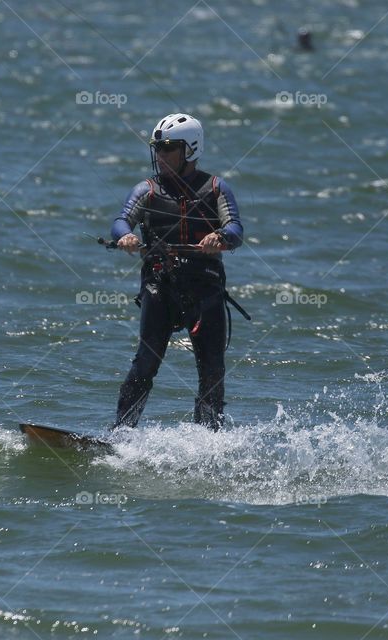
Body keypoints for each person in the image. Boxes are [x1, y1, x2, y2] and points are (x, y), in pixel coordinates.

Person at [110, 113, 244, 431]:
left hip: (205, 289)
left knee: (212, 370)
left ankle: (208, 441)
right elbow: (120, 221)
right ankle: (120, 435)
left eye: (168, 147)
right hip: (160, 286)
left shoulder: (216, 189)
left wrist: (221, 237)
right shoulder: (146, 190)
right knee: (145, 364)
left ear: (190, 149)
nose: (161, 155)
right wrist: (124, 237)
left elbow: (236, 229)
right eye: (157, 147)